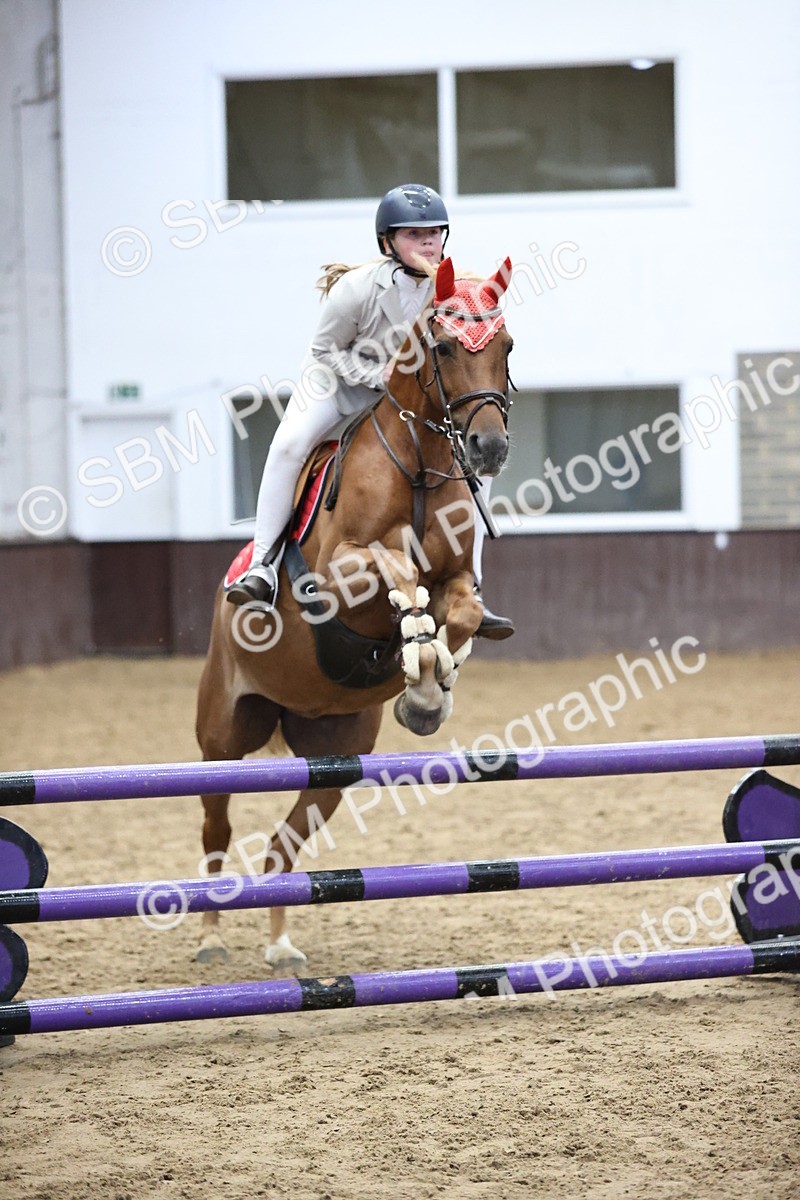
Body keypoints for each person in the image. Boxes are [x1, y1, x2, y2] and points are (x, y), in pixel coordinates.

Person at [227, 182, 514, 640]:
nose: (427, 242)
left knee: (479, 466)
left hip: (406, 400)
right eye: (413, 234)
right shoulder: (356, 289)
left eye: (435, 233)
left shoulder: (451, 292)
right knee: (287, 447)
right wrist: (377, 374)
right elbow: (323, 351)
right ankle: (262, 564)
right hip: (337, 385)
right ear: (387, 242)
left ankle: (473, 582)